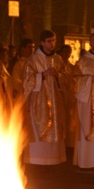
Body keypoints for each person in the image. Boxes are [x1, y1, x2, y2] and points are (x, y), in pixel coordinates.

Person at [21, 30, 69, 165]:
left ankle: (54, 159)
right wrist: (42, 75)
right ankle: (38, 160)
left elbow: (67, 78)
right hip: (39, 100)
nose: (52, 44)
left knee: (55, 128)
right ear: (42, 42)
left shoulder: (58, 59)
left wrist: (58, 76)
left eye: (54, 41)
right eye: (49, 41)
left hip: (56, 100)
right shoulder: (33, 59)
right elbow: (26, 80)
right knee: (40, 128)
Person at [72, 32, 94, 168]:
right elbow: (74, 79)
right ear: (90, 42)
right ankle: (87, 161)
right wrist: (89, 79)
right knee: (88, 126)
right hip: (86, 100)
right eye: (93, 41)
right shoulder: (83, 61)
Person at [58, 44, 77, 148]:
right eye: (65, 51)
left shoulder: (72, 67)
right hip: (60, 94)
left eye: (68, 52)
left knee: (69, 119)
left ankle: (69, 143)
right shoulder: (58, 65)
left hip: (69, 95)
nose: (67, 54)